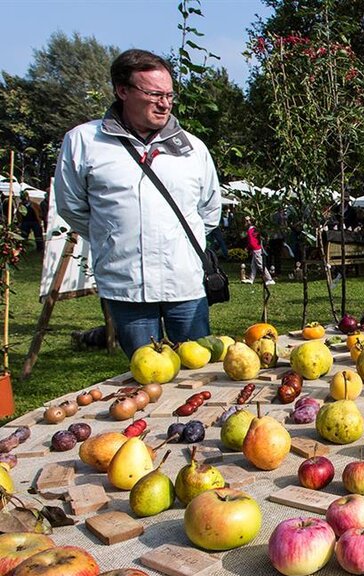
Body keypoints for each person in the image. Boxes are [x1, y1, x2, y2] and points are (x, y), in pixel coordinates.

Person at [54, 49, 221, 357]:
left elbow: (209, 211)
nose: (165, 104)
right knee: (147, 376)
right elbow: (71, 206)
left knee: (200, 374)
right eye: (154, 94)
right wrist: (113, 236)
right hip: (127, 286)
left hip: (185, 285)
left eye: (170, 95)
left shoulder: (193, 148)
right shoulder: (84, 142)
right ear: (122, 91)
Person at [243, 216, 273, 285]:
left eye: (247, 221)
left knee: (260, 265)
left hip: (256, 249)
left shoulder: (251, 230)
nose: (246, 222)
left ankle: (269, 278)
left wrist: (248, 248)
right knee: (253, 265)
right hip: (255, 248)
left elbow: (251, 241)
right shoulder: (253, 229)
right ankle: (251, 279)